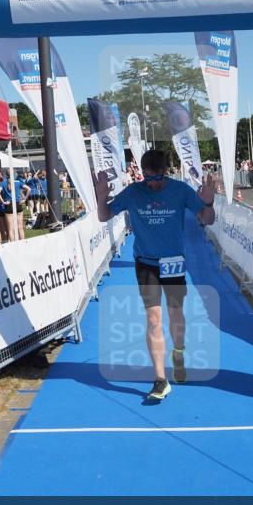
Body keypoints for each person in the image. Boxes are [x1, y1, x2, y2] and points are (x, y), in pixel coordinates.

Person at [95, 149, 216, 402]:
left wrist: (208, 202)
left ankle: (179, 351)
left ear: (166, 172)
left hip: (173, 262)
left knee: (176, 314)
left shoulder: (180, 190)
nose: (153, 184)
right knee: (153, 319)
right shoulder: (133, 192)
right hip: (146, 262)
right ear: (142, 174)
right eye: (148, 179)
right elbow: (104, 215)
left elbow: (208, 220)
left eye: (158, 178)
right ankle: (161, 380)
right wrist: (101, 197)